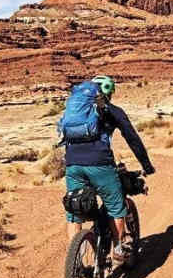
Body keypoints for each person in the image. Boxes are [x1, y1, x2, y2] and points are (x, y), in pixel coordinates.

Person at [63, 75, 155, 263]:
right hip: (100, 163)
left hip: (72, 163)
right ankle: (118, 248)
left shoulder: (76, 111)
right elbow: (132, 138)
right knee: (116, 205)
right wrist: (147, 165)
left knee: (75, 209)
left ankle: (75, 262)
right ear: (109, 92)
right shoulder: (112, 110)